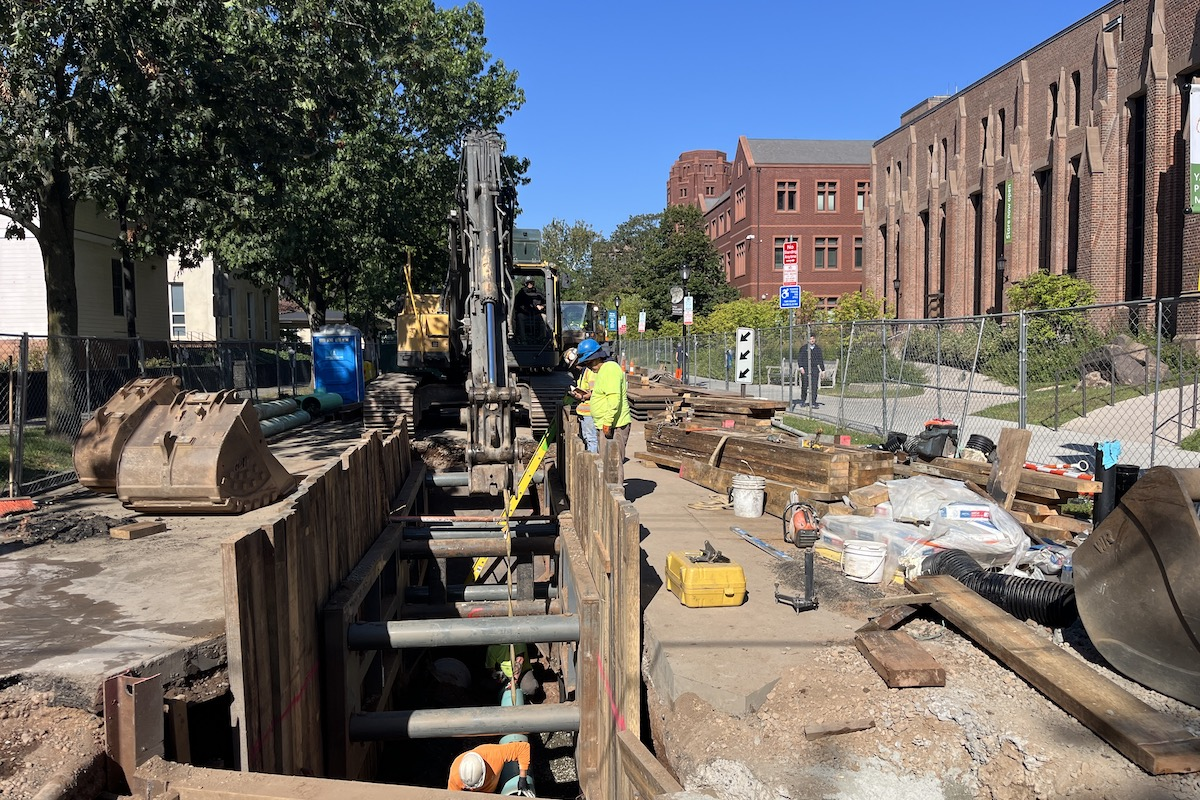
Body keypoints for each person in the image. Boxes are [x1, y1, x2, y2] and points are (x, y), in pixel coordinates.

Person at [577, 338, 630, 487]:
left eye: (589, 363)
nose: (589, 367)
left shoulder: (610, 369)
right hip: (608, 424)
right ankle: (609, 489)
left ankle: (617, 494)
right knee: (607, 460)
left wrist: (607, 422)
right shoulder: (603, 370)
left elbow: (614, 398)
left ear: (596, 357)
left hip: (615, 425)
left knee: (614, 461)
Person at [447, 741, 531, 793]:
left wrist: (522, 778)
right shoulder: (455, 774)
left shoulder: (494, 754)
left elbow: (523, 748)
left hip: (492, 790)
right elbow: (452, 795)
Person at [565, 343, 600, 453]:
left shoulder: (590, 372)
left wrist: (582, 396)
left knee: (591, 439)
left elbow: (594, 391)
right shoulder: (582, 373)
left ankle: (593, 462)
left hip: (590, 411)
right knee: (587, 438)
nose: (575, 366)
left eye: (576, 363)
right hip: (584, 412)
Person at [798, 334, 826, 408]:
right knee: (805, 386)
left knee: (814, 386)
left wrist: (823, 370)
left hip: (814, 369)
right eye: (810, 339)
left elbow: (820, 360)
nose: (812, 340)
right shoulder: (803, 348)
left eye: (813, 339)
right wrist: (801, 367)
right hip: (805, 368)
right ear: (808, 340)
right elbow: (800, 358)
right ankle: (803, 401)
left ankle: (813, 402)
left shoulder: (818, 349)